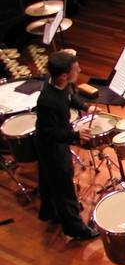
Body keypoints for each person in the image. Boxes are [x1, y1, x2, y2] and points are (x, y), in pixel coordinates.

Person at [35, 51, 99, 240]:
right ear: (64, 75)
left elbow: (69, 97)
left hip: (51, 140)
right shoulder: (47, 101)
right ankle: (76, 228)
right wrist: (75, 136)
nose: (79, 69)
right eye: (75, 68)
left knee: (49, 181)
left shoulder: (55, 82)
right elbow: (49, 133)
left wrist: (85, 106)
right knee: (64, 186)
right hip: (51, 146)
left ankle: (49, 212)